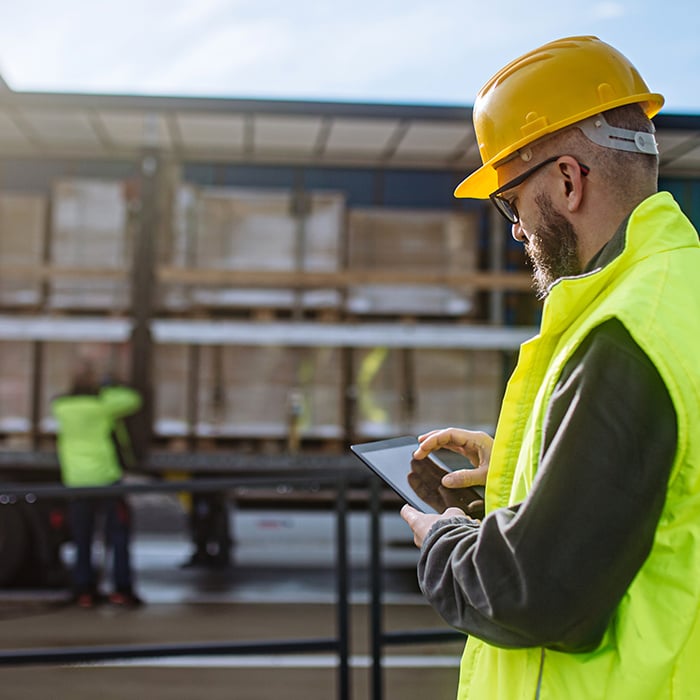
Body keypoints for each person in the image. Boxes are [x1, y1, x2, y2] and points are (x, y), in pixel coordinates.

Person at [400, 35, 700, 699]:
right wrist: (519, 467)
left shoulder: (626, 334)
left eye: (510, 202)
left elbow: (535, 593)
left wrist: (443, 538)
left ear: (567, 180)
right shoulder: (679, 296)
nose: (514, 231)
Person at [52, 359, 144, 608]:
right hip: (106, 478)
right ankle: (122, 588)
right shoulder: (102, 406)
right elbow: (132, 399)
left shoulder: (62, 407)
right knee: (118, 535)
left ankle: (84, 590)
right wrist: (109, 386)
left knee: (83, 538)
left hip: (76, 481)